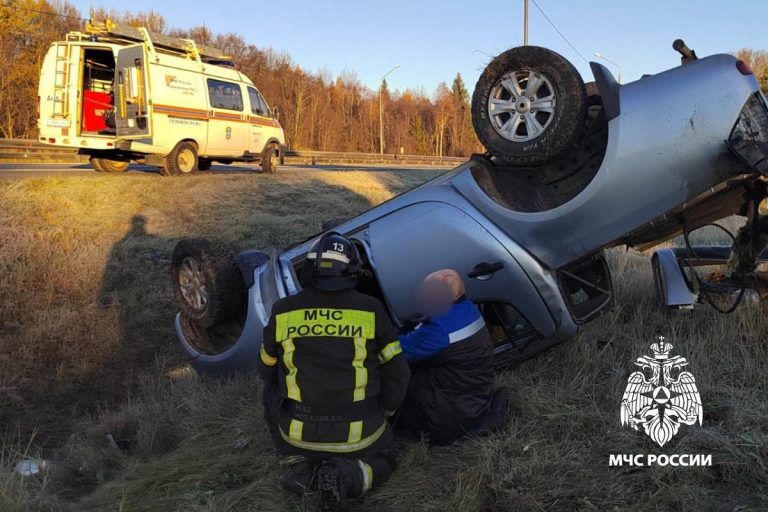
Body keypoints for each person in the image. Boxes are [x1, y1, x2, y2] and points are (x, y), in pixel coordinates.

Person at [258, 232, 410, 511]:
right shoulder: (371, 309)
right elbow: (398, 373)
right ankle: (348, 476)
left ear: (311, 269)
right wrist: (386, 410)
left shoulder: (282, 311)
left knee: (270, 386)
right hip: (360, 436)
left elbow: (265, 370)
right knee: (387, 457)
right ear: (352, 271)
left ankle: (296, 464)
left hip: (297, 433)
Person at [395, 269, 508, 445]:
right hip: (471, 397)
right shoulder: (465, 307)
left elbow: (397, 350)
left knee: (397, 376)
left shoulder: (439, 331)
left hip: (449, 415)